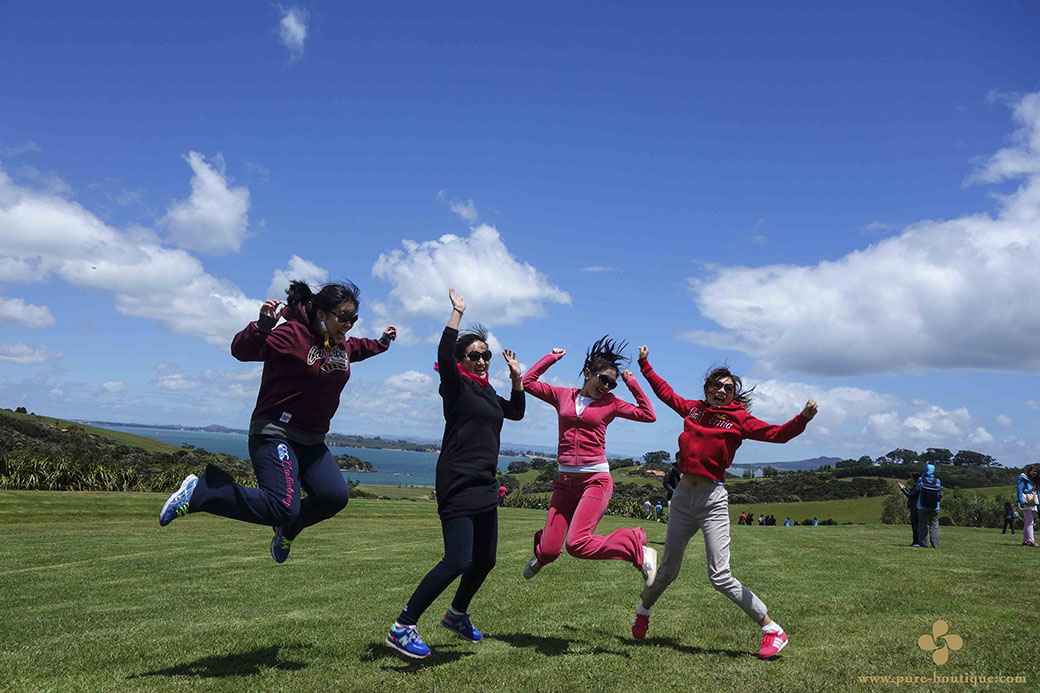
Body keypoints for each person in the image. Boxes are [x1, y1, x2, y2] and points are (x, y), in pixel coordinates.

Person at [159, 280, 396, 562]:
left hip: (312, 440)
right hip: (275, 432)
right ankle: (201, 492)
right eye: (343, 317)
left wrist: (383, 342)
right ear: (322, 313)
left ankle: (288, 529)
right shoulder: (291, 334)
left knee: (334, 497)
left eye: (353, 319)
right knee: (283, 505)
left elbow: (360, 348)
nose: (348, 324)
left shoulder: (341, 344)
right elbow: (242, 350)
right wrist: (261, 327)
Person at [630, 346, 817, 659]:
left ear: (733, 395)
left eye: (728, 388)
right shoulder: (692, 410)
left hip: (712, 500)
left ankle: (772, 629)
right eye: (716, 385)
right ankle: (643, 610)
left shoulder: (739, 419)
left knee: (719, 575)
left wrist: (803, 418)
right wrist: (644, 365)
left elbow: (777, 434)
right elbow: (665, 393)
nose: (721, 391)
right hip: (682, 498)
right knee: (667, 572)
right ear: (706, 388)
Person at [385, 289, 525, 659]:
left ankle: (456, 614)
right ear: (461, 360)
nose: (482, 361)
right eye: (474, 355)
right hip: (457, 480)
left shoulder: (487, 392)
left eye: (486, 355)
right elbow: (444, 352)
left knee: (486, 559)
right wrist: (456, 313)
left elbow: (515, 412)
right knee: (457, 559)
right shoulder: (456, 386)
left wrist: (516, 378)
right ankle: (402, 626)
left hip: (485, 482)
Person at [520, 337, 658, 585]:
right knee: (550, 550)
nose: (606, 386)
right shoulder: (562, 395)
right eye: (603, 379)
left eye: (612, 383)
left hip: (595, 480)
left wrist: (632, 383)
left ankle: (636, 546)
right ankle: (542, 555)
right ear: (587, 373)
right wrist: (551, 358)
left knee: (577, 543)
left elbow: (648, 414)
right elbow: (527, 383)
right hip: (565, 482)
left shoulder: (611, 403)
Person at [911, 464, 942, 548]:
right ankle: (935, 544)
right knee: (934, 525)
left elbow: (915, 490)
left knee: (922, 524)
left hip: (922, 506)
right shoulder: (937, 481)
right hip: (935, 506)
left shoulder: (921, 480)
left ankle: (923, 544)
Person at [1018, 464, 1039, 547]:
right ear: (1029, 471)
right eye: (1033, 471)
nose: (1034, 473)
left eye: (1036, 472)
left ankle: (1025, 540)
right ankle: (1031, 540)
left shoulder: (1034, 480)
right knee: (1030, 521)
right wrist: (1021, 501)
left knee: (1028, 522)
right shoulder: (1023, 478)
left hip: (1032, 502)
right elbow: (1019, 490)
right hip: (1026, 501)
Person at [898, 473, 922, 547]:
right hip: (923, 506)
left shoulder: (918, 484)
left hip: (915, 506)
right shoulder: (924, 482)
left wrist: (903, 489)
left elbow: (910, 495)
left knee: (915, 524)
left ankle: (916, 542)